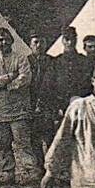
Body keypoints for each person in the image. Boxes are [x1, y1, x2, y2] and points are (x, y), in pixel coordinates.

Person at [0, 26, 36, 185]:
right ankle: (8, 172)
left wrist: (8, 85)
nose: (3, 42)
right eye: (0, 40)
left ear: (11, 41)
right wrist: (9, 78)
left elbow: (25, 78)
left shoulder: (20, 58)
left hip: (18, 109)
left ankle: (30, 171)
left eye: (6, 39)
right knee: (3, 144)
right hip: (0, 110)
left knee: (22, 142)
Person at [27, 31, 58, 171]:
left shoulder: (52, 61)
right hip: (31, 105)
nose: (39, 46)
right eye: (35, 42)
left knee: (51, 138)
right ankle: (40, 168)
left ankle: (51, 169)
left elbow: (56, 85)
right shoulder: (26, 62)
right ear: (30, 45)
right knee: (35, 139)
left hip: (48, 106)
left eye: (42, 42)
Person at [54, 26, 94, 103]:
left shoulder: (85, 61)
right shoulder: (56, 62)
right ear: (63, 41)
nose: (70, 42)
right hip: (60, 106)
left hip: (81, 103)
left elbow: (89, 86)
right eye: (67, 39)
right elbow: (49, 87)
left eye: (73, 39)